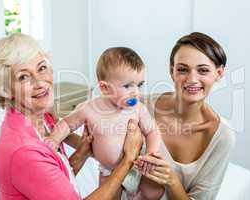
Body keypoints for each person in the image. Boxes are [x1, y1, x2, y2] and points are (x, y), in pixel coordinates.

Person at [0, 33, 143, 200]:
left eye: (41, 68)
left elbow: (53, 183)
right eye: (23, 77)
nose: (40, 83)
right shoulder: (24, 152)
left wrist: (81, 153)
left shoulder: (44, 119)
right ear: (5, 90)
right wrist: (128, 159)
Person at [45, 47, 164, 199]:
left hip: (137, 167)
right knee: (108, 195)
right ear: (105, 88)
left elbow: (152, 131)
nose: (135, 92)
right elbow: (67, 124)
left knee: (155, 191)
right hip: (109, 171)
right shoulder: (90, 109)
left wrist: (151, 153)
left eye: (139, 85)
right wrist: (54, 138)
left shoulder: (138, 109)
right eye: (127, 86)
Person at [134, 32, 236, 199]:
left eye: (203, 70)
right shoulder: (140, 107)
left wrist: (171, 180)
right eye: (182, 69)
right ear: (171, 71)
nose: (192, 79)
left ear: (219, 73)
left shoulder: (222, 137)